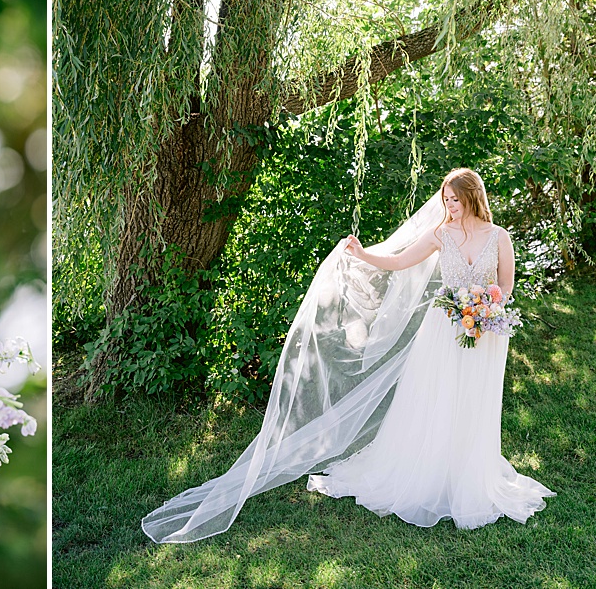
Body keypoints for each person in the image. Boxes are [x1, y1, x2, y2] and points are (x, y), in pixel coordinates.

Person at [142, 168, 552, 543]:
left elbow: (506, 286)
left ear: (473, 198)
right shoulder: (441, 235)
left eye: (455, 200)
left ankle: (467, 475)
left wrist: (483, 310)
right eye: (445, 200)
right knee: (437, 399)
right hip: (443, 331)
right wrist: (360, 253)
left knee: (472, 405)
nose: (449, 207)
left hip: (484, 332)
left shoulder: (499, 237)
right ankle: (429, 473)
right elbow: (396, 260)